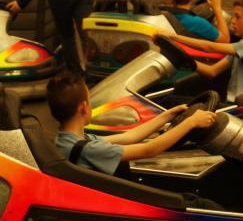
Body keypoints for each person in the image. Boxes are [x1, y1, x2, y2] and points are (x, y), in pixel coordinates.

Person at [46, 72, 222, 210]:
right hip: (121, 206)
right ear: (84, 107)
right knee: (200, 205)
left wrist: (167, 115)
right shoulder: (87, 149)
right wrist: (191, 122)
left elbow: (130, 137)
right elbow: (149, 150)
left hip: (114, 197)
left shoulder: (69, 140)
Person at [160, 0, 243, 103]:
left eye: (237, 17)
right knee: (173, 100)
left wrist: (173, 37)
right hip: (232, 102)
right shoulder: (241, 47)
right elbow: (211, 71)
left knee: (171, 101)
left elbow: (210, 47)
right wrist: (183, 59)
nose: (233, 21)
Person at [6, 0, 93, 74]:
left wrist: (21, 2)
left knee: (67, 34)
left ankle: (76, 73)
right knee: (87, 33)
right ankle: (91, 71)